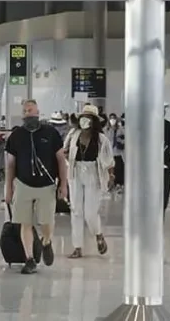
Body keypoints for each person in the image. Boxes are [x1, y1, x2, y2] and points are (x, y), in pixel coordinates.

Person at [4, 100, 68, 274]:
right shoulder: (16, 136)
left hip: (46, 185)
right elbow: (10, 165)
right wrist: (8, 189)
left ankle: (46, 241)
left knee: (46, 221)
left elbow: (61, 160)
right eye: (25, 111)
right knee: (25, 222)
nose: (27, 113)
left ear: (38, 112)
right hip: (23, 184)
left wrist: (64, 183)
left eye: (30, 110)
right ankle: (30, 258)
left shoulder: (51, 133)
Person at [64, 105, 115, 258]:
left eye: (88, 117)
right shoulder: (73, 134)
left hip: (94, 172)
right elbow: (64, 150)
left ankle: (98, 234)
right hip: (75, 172)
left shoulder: (101, 139)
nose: (84, 120)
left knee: (90, 213)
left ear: (93, 121)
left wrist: (111, 176)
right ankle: (77, 247)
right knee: (76, 210)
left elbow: (109, 160)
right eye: (82, 117)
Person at [105, 113, 125, 190]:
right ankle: (111, 185)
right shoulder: (107, 130)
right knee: (110, 170)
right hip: (110, 153)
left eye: (114, 118)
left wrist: (120, 140)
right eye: (111, 118)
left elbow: (125, 139)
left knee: (119, 170)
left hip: (118, 153)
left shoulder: (120, 129)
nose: (112, 120)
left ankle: (119, 185)